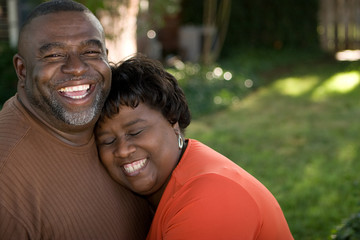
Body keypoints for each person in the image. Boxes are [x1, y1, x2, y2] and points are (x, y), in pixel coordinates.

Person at [95, 55, 294, 239]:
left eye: (135, 132)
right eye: (108, 141)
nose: (122, 150)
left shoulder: (211, 197)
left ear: (172, 119)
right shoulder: (172, 181)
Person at [0, 1, 152, 239]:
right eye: (54, 55)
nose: (77, 68)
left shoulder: (118, 122)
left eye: (91, 52)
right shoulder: (7, 182)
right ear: (22, 70)